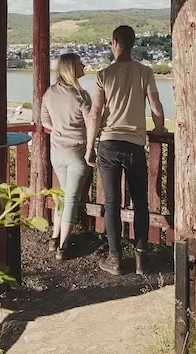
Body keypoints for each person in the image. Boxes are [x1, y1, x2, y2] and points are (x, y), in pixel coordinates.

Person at [86, 25, 165, 275]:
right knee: (140, 201)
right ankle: (141, 259)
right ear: (132, 44)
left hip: (109, 143)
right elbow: (155, 106)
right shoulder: (145, 72)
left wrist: (90, 147)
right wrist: (159, 129)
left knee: (111, 203)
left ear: (114, 43)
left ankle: (115, 259)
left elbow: (95, 112)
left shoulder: (104, 75)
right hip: (134, 145)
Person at [38, 52, 93, 258]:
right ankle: (63, 246)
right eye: (80, 63)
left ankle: (55, 237)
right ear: (72, 69)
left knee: (63, 196)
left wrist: (61, 128)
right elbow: (92, 123)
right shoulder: (81, 96)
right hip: (76, 152)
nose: (84, 65)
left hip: (57, 152)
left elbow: (46, 123)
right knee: (70, 199)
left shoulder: (49, 93)